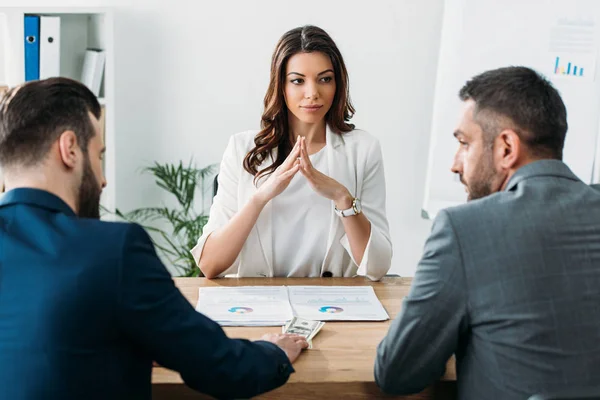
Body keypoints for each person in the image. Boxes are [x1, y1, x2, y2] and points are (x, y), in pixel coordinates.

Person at [0, 77, 308, 400]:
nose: (102, 179)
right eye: (98, 156)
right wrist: (273, 352)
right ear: (70, 149)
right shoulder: (113, 251)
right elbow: (223, 368)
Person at [374, 66, 600, 399]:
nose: (455, 163)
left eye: (465, 144)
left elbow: (397, 373)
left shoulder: (463, 229)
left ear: (506, 147)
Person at [192, 25, 392, 280]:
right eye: (298, 80)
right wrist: (260, 197)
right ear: (281, 85)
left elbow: (377, 268)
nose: (313, 93)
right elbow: (210, 265)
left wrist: (343, 198)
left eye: (325, 79)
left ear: (337, 84)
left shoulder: (363, 150)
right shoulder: (242, 148)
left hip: (333, 308)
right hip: (259, 308)